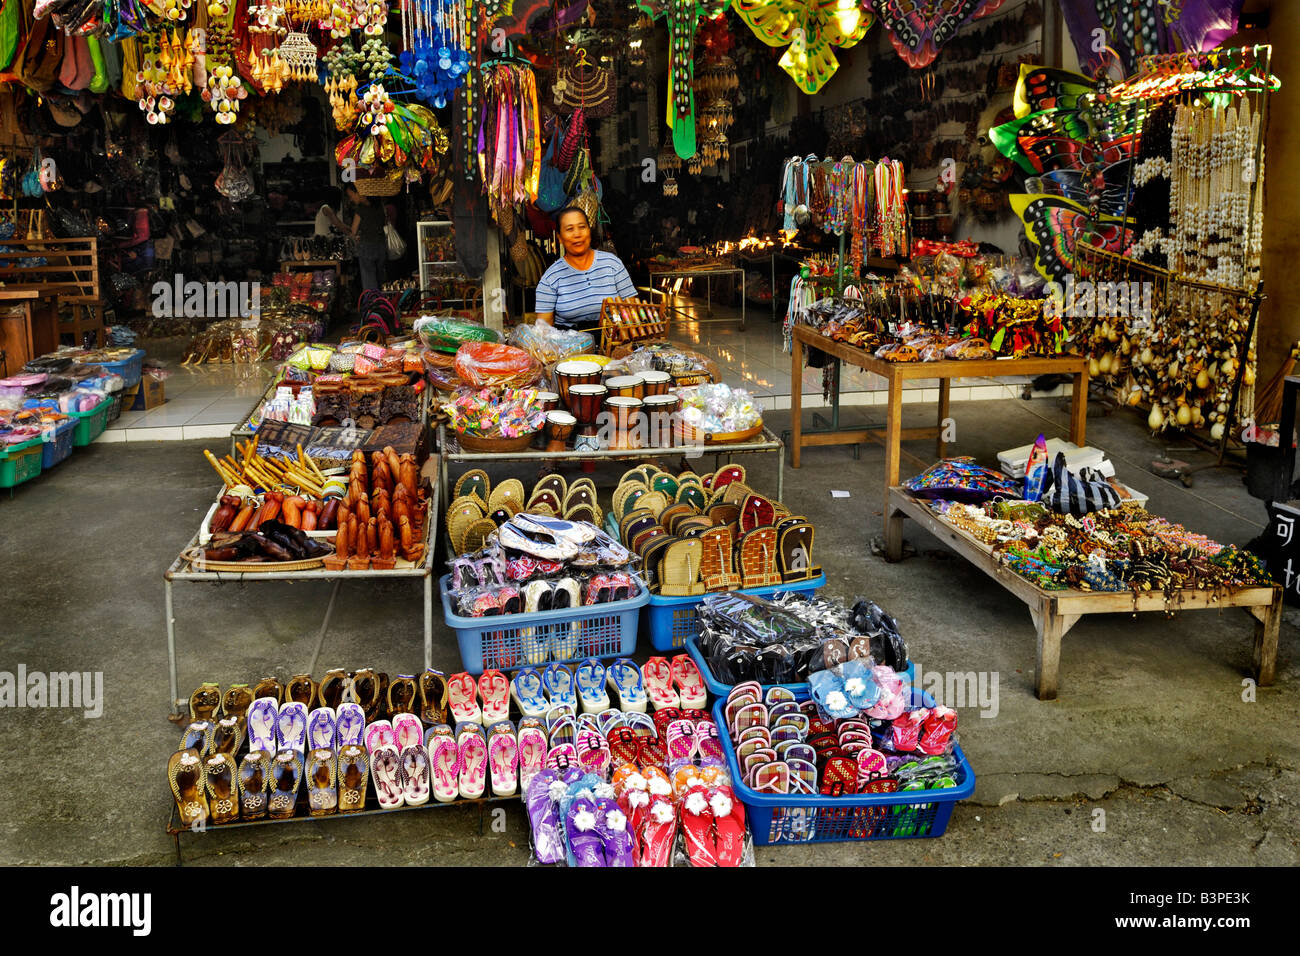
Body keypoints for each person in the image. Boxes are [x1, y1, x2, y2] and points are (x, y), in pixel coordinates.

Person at [535, 206, 636, 331]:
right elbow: (544, 330)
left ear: (589, 231)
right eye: (569, 229)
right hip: (572, 346)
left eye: (582, 227)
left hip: (614, 340)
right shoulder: (550, 278)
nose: (577, 234)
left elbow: (632, 310)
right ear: (559, 238)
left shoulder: (612, 263)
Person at [343, 183, 387, 290]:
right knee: (380, 278)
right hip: (381, 246)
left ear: (358, 193)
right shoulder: (379, 206)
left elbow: (353, 231)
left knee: (369, 281)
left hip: (367, 247)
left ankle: (372, 304)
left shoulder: (361, 209)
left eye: (351, 195)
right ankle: (383, 303)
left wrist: (343, 228)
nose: (351, 199)